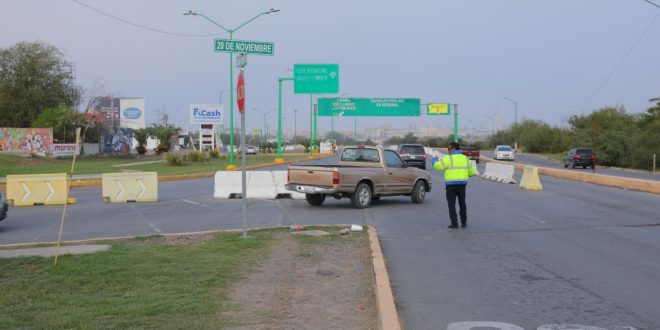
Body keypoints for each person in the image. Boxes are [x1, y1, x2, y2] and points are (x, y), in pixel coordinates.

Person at [432, 142, 476, 229]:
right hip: (462, 185)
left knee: (451, 205)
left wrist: (434, 161)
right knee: (462, 204)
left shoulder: (448, 158)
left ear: (453, 149)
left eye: (449, 149)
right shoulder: (465, 159)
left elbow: (439, 167)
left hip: (451, 186)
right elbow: (472, 173)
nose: (448, 150)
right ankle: (464, 222)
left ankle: (454, 223)